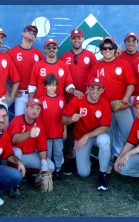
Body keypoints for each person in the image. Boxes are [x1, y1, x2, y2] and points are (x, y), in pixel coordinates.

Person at [87, 37, 137, 171]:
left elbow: (131, 84)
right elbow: (89, 87)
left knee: (130, 134)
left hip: (121, 106)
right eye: (104, 48)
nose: (107, 50)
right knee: (107, 138)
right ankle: (107, 165)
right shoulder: (96, 66)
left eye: (110, 48)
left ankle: (131, 163)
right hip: (105, 109)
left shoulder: (123, 64)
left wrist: (126, 98)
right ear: (101, 50)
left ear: (115, 50)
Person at [62, 77, 111, 191]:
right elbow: (63, 119)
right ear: (87, 89)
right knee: (83, 173)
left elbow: (104, 127)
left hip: (95, 136)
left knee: (105, 141)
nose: (95, 91)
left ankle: (102, 174)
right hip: (81, 137)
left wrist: (87, 135)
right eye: (92, 88)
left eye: (99, 89)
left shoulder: (104, 103)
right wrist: (70, 119)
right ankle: (92, 158)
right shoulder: (78, 99)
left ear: (103, 90)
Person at [60, 28, 97, 160]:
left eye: (79, 38)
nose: (76, 40)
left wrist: (89, 91)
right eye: (74, 38)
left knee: (85, 125)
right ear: (71, 40)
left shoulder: (90, 56)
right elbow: (62, 77)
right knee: (70, 125)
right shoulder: (64, 56)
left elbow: (95, 75)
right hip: (69, 97)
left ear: (83, 39)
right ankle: (70, 153)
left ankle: (87, 154)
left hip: (85, 97)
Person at [7, 98, 55, 174]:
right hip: (13, 155)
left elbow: (42, 147)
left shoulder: (39, 124)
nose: (35, 111)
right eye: (32, 108)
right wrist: (29, 134)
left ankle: (28, 172)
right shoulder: (17, 120)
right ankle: (14, 174)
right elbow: (14, 139)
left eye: (38, 109)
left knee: (50, 167)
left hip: (28, 155)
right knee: (17, 152)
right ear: (26, 108)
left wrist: (44, 164)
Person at [7, 25, 45, 116]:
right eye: (29, 31)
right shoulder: (11, 53)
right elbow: (1, 75)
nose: (31, 33)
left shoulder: (38, 54)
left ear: (35, 38)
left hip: (35, 94)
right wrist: (11, 90)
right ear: (22, 33)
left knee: (35, 123)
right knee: (19, 121)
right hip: (20, 94)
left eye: (34, 33)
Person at [40, 74, 67, 180]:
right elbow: (39, 119)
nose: (52, 87)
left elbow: (64, 116)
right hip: (46, 132)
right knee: (48, 152)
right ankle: (49, 171)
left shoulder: (61, 99)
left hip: (58, 132)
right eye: (49, 85)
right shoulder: (42, 99)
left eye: (54, 85)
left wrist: (64, 130)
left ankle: (58, 170)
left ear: (57, 86)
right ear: (45, 86)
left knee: (58, 151)